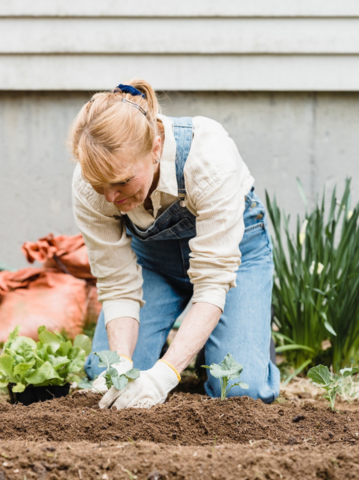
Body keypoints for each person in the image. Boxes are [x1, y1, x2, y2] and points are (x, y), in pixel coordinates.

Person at [68, 79, 279, 409]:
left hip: (235, 262)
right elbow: (117, 285)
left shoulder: (207, 158)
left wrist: (163, 376)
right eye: (100, 185)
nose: (111, 197)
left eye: (122, 181)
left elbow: (211, 283)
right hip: (155, 266)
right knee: (105, 374)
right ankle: (196, 341)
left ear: (155, 147)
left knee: (240, 389)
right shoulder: (89, 184)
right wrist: (123, 366)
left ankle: (232, 336)